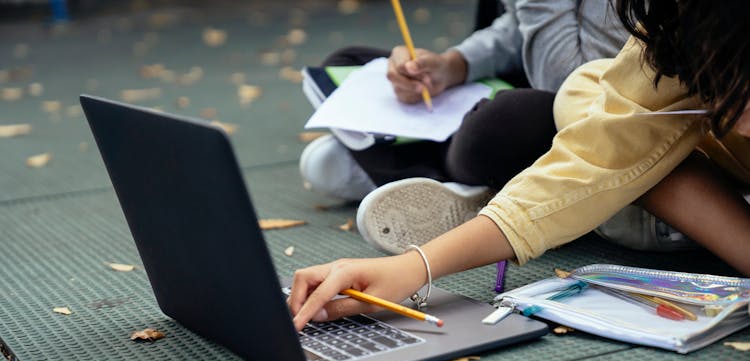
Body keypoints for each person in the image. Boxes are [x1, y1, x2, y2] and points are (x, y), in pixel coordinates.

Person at [288, 0, 750, 331]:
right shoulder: (679, 29)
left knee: (532, 115)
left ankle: (464, 184)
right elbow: (594, 156)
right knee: (584, 97)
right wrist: (413, 267)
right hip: (656, 155)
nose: (738, 115)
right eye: (715, 88)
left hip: (580, 138)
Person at [300, 0, 629, 212]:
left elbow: (576, 90)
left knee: (503, 118)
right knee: (347, 64)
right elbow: (517, 28)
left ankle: (412, 176)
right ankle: (454, 187)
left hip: (593, 122)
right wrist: (451, 65)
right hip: (517, 92)